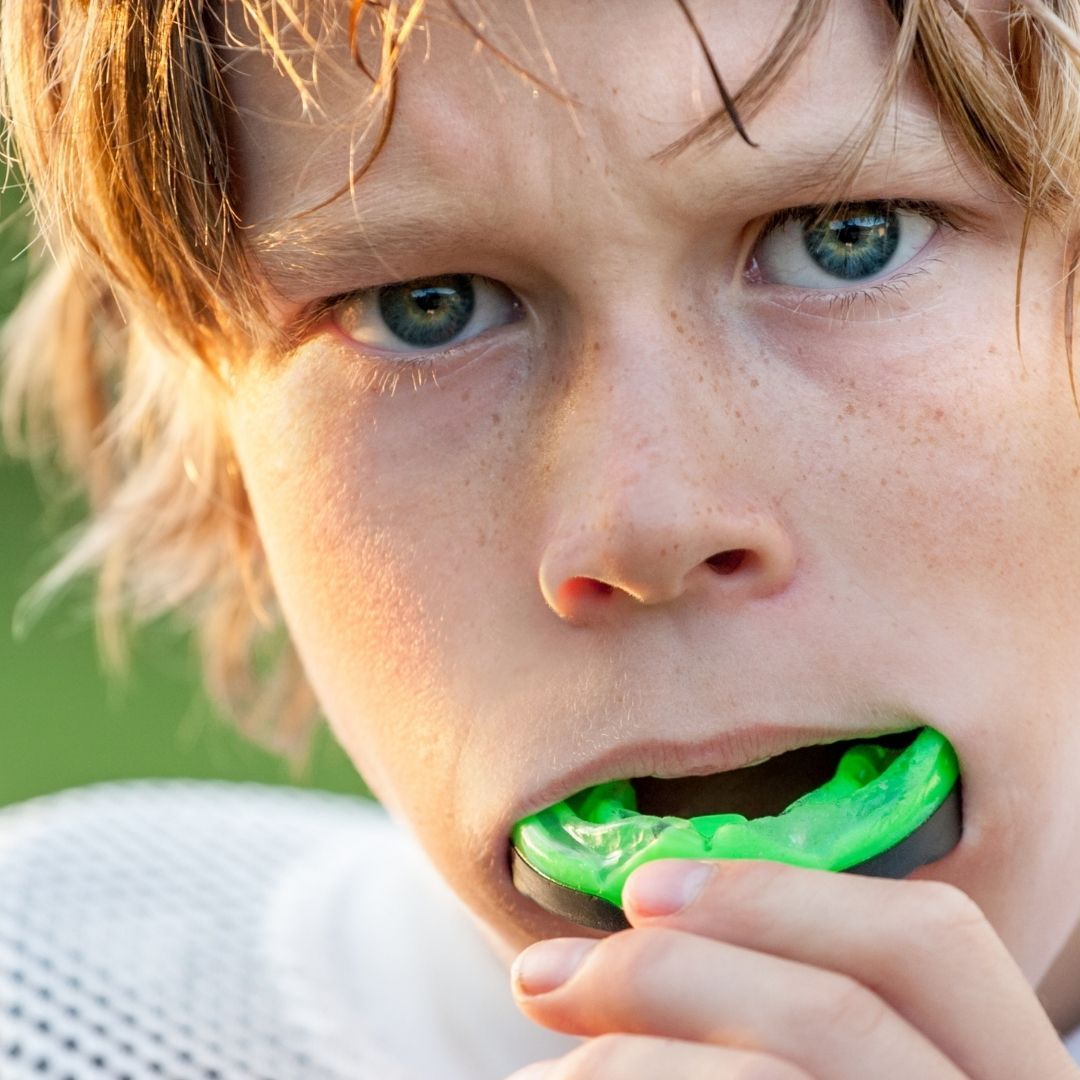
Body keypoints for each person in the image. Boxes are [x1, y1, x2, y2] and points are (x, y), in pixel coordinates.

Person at [3, 0, 1080, 1076]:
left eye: (848, 238)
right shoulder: (50, 1011)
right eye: (427, 305)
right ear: (226, 460)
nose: (648, 525)